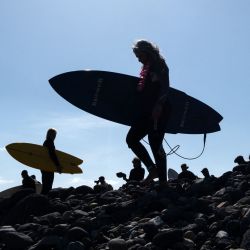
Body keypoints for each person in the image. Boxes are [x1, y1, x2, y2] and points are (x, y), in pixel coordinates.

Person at [126, 39, 170, 185]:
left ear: (146, 52)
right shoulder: (147, 67)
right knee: (131, 139)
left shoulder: (159, 65)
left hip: (159, 112)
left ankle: (163, 182)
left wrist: (159, 105)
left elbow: (165, 87)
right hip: (145, 113)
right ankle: (152, 169)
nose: (138, 59)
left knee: (156, 144)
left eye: (139, 55)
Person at [41, 128, 62, 195]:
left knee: (46, 185)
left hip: (45, 167)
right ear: (50, 135)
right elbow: (52, 154)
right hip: (48, 167)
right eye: (54, 135)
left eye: (55, 135)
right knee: (47, 186)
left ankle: (43, 199)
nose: (55, 137)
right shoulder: (49, 142)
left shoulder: (46, 142)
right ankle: (44, 200)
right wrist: (58, 165)